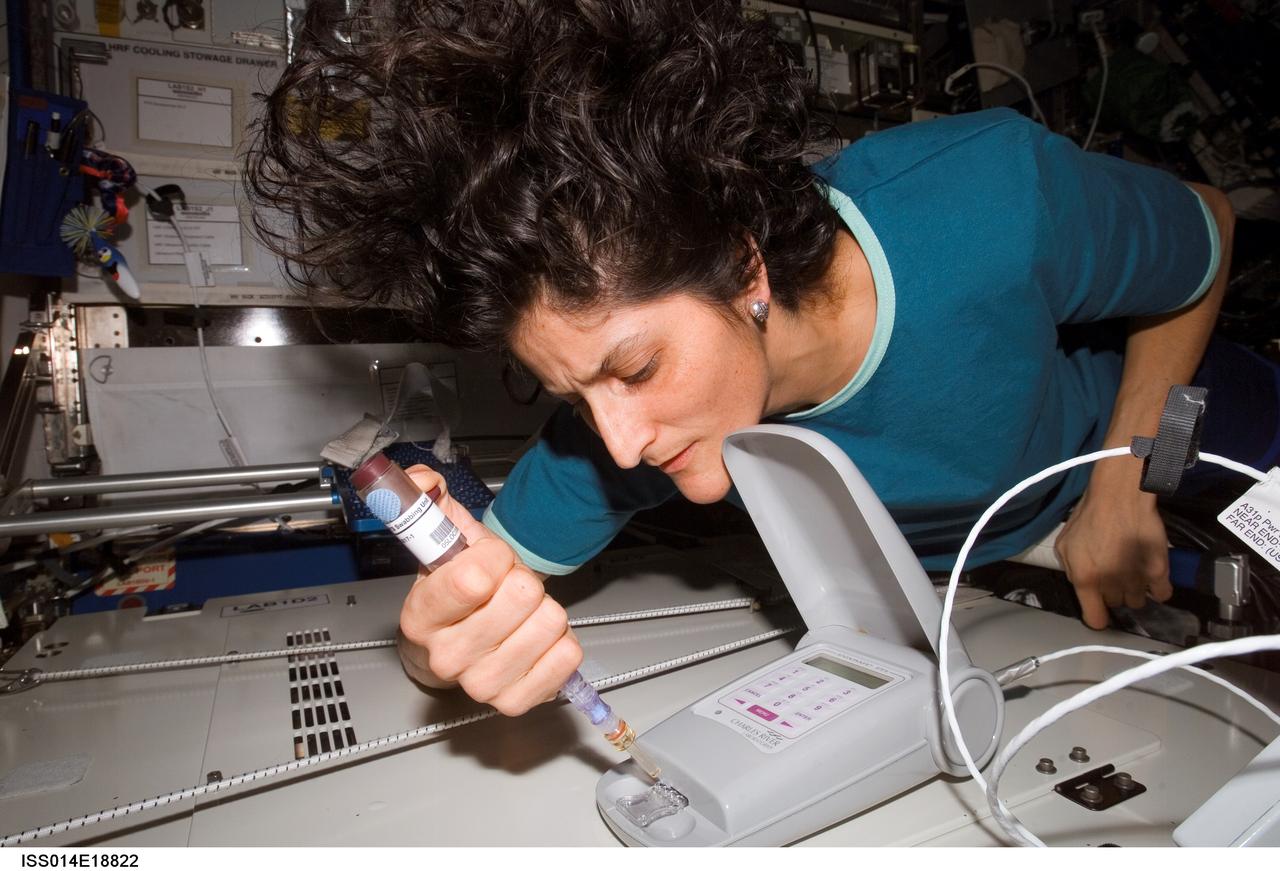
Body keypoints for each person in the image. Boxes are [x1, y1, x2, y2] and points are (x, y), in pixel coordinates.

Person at [247, 0, 1244, 716]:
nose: (621, 445)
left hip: (1121, 472)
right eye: (578, 395)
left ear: (743, 265)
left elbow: (1201, 234)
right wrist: (436, 646)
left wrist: (1123, 483)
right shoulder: (611, 439)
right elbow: (483, 588)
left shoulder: (989, 201)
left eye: (633, 368)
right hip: (960, 600)